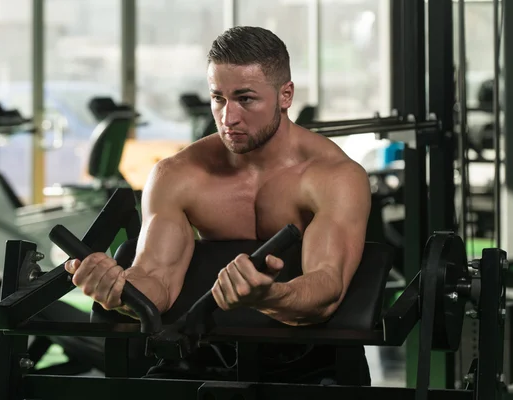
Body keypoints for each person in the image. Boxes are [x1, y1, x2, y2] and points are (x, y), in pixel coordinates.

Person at [65, 26, 372, 385]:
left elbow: (326, 288)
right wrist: (120, 291)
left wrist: (270, 295)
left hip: (310, 360)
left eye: (245, 99)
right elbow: (157, 281)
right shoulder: (177, 174)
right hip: (198, 356)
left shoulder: (333, 176)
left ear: (285, 95)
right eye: (218, 98)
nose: (229, 118)